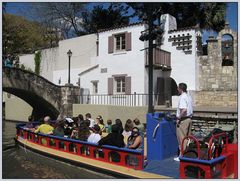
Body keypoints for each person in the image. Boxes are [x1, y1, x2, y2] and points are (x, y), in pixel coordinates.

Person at [174, 83, 193, 162]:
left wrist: (179, 117)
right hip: (189, 119)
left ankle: (181, 156)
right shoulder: (189, 96)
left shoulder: (182, 97)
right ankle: (187, 154)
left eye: (178, 88)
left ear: (180, 89)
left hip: (183, 120)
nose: (177, 89)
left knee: (182, 138)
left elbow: (184, 110)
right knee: (188, 138)